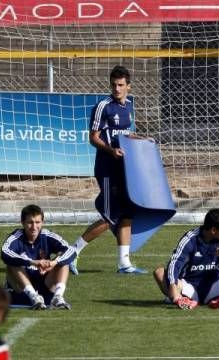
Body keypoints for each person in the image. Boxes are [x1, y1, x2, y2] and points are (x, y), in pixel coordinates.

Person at [70, 65, 147, 275]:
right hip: (106, 169)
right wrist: (110, 150)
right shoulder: (103, 106)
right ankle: (71, 253)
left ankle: (124, 264)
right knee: (109, 217)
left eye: (121, 85)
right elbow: (93, 137)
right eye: (114, 85)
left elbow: (126, 135)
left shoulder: (129, 106)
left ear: (128, 86)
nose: (117, 88)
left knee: (127, 214)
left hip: (124, 169)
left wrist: (143, 139)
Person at [153, 208, 219, 309]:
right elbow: (175, 262)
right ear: (213, 230)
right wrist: (173, 284)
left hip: (214, 285)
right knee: (160, 272)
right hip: (189, 286)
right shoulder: (190, 239)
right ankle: (178, 299)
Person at [1, 204, 76, 310]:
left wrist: (53, 263)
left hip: (45, 284)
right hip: (21, 289)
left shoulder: (47, 236)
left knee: (62, 258)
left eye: (37, 222)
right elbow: (5, 253)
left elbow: (71, 251)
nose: (34, 227)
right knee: (12, 263)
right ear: (22, 222)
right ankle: (34, 297)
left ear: (42, 222)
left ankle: (58, 297)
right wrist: (33, 262)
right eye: (30, 222)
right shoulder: (16, 237)